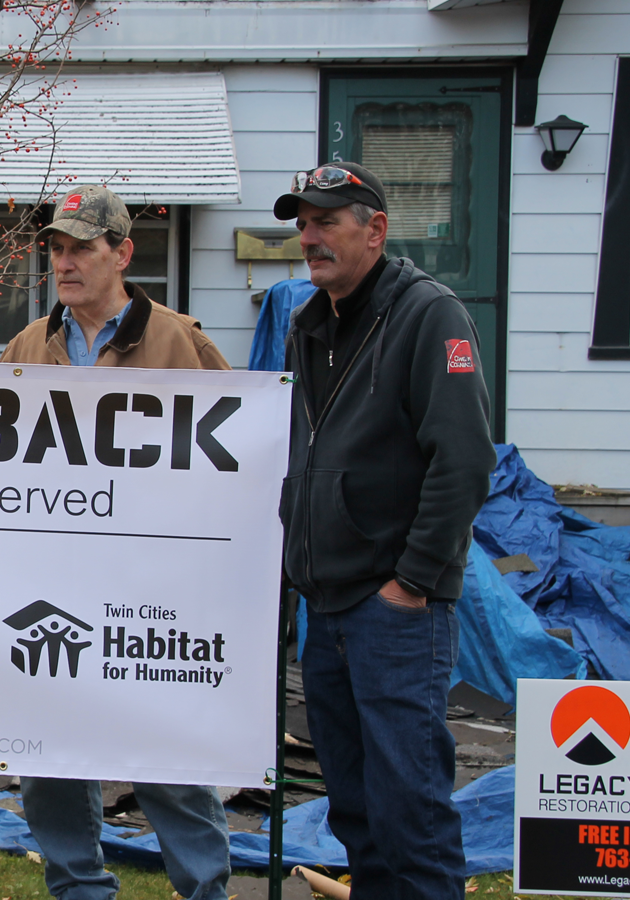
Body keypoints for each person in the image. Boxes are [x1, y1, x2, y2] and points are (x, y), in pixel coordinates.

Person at [0, 185, 233, 900]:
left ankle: (205, 890)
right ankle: (78, 887)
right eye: (57, 250)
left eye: (82, 249)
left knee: (167, 756)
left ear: (122, 253)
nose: (65, 264)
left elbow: (238, 463)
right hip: (54, 588)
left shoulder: (179, 343)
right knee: (50, 758)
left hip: (152, 592)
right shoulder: (26, 348)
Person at [275, 162, 494, 899]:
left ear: (375, 230)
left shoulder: (429, 315)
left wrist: (413, 584)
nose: (311, 238)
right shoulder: (309, 325)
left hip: (393, 612)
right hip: (326, 605)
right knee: (356, 811)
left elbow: (463, 459)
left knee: (410, 813)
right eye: (303, 224)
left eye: (327, 222)